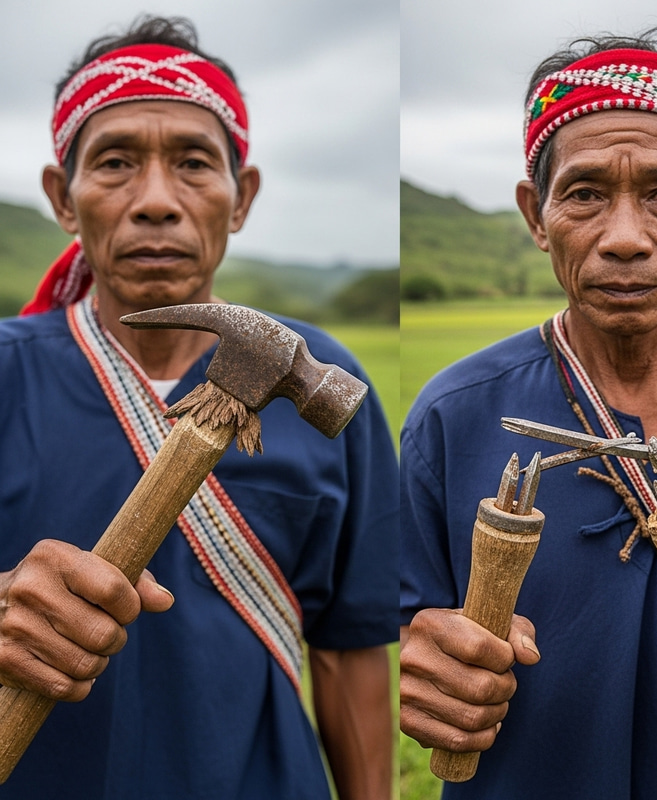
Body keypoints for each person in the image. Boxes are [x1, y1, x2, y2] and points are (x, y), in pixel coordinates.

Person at [0, 15, 397, 800]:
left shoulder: (332, 374)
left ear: (240, 196)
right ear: (62, 198)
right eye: (114, 163)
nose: (156, 201)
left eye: (193, 164)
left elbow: (348, 652)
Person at [400, 26, 657, 799]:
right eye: (584, 193)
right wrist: (429, 660)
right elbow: (412, 623)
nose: (624, 238)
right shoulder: (453, 417)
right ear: (535, 213)